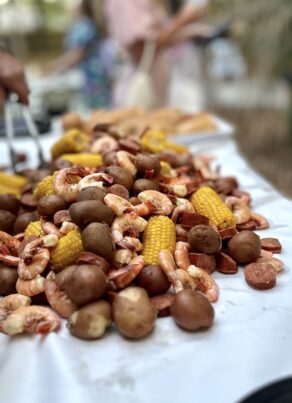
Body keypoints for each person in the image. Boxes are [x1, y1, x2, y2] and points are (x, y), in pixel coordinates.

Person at [105, 0, 210, 107]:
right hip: (138, 96)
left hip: (155, 93)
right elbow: (140, 48)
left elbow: (157, 39)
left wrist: (187, 32)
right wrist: (184, 19)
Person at [49, 0, 112, 109]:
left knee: (96, 109)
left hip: (92, 77)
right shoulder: (89, 24)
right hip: (95, 74)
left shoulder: (85, 26)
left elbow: (77, 54)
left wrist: (55, 66)